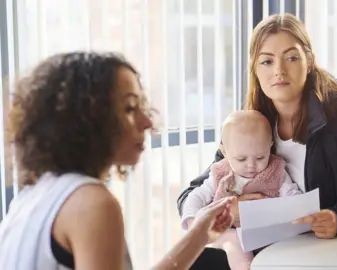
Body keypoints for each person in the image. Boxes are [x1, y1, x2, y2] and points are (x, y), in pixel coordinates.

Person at [177, 13, 337, 269]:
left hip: (330, 257)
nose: (279, 71)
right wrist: (229, 210)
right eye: (267, 62)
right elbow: (195, 191)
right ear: (255, 70)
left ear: (309, 61)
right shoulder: (251, 125)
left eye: (291, 58)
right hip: (269, 256)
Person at [0, 52, 235, 270]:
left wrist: (200, 235)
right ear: (89, 120)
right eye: (130, 108)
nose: (148, 122)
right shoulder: (92, 203)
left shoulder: (32, 198)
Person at [181, 110, 301, 270]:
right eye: (241, 159)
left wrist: (297, 211)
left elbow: (294, 197)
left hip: (267, 233)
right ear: (224, 152)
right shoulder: (220, 173)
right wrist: (193, 221)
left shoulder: (276, 170)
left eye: (260, 157)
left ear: (270, 146)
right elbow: (196, 195)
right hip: (229, 233)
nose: (251, 166)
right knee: (237, 250)